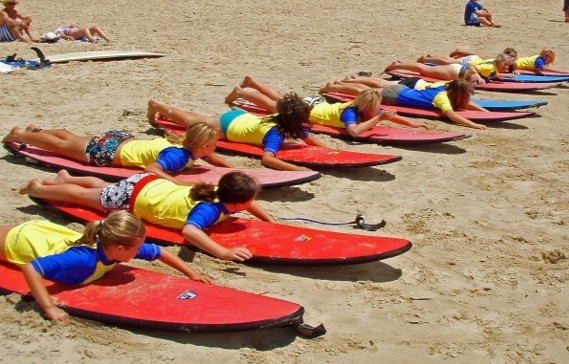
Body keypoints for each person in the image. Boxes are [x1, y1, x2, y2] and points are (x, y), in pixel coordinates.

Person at [0, 211, 212, 326]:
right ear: (120, 248)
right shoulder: (83, 260)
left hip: (46, 234)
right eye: (138, 246)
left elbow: (160, 252)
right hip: (20, 241)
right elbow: (31, 268)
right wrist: (49, 307)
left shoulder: (114, 245)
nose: (141, 250)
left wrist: (192, 273)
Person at [20, 170, 275, 262]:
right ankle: (40, 188)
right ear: (238, 202)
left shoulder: (224, 193)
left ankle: (67, 178)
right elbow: (189, 231)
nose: (254, 202)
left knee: (103, 189)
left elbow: (249, 202)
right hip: (132, 199)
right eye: (251, 199)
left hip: (149, 186)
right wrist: (223, 252)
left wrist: (270, 223)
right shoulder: (209, 209)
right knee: (83, 197)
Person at [3, 123, 232, 185]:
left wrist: (229, 169)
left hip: (119, 140)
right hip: (108, 151)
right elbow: (153, 169)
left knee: (69, 137)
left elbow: (210, 157)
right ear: (202, 145)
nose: (215, 147)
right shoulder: (178, 156)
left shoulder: (190, 147)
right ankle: (20, 137)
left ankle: (34, 130)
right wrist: (178, 184)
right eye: (213, 144)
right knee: (59, 146)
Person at [147, 96, 332, 172]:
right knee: (190, 123)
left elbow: (310, 139)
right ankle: (157, 105)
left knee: (199, 118)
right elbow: (267, 159)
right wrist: (298, 169)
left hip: (239, 117)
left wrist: (330, 152)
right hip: (227, 128)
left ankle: (167, 110)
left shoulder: (282, 118)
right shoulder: (275, 133)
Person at [224, 75, 430, 137]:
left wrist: (411, 126)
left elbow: (390, 115)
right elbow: (355, 132)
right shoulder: (350, 112)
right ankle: (243, 92)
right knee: (275, 105)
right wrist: (378, 120)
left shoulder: (363, 107)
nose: (376, 111)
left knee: (281, 99)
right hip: (310, 109)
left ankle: (253, 83)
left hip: (317, 103)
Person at [319, 77, 488, 130]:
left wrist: (484, 112)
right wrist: (473, 124)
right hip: (397, 96)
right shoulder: (442, 98)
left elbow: (468, 103)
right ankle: (333, 87)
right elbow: (451, 115)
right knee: (363, 92)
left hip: (403, 91)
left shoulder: (448, 91)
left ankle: (337, 85)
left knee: (370, 87)